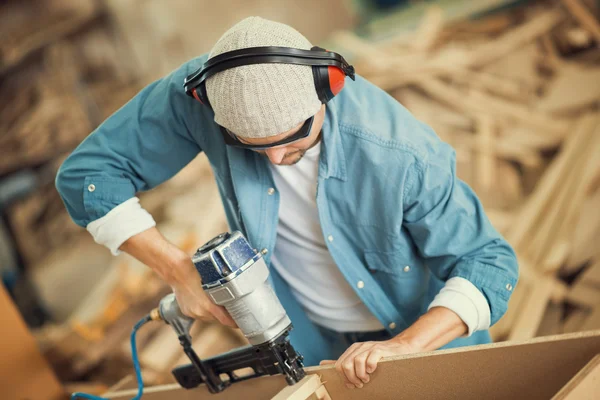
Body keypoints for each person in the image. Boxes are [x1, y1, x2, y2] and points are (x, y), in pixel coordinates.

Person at [56, 17, 518, 389]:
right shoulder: (206, 93)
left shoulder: (401, 153)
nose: (276, 159)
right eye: (253, 146)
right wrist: (177, 270)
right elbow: (87, 178)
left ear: (328, 87)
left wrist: (405, 347)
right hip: (313, 344)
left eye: (293, 141)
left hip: (423, 342)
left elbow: (489, 263)